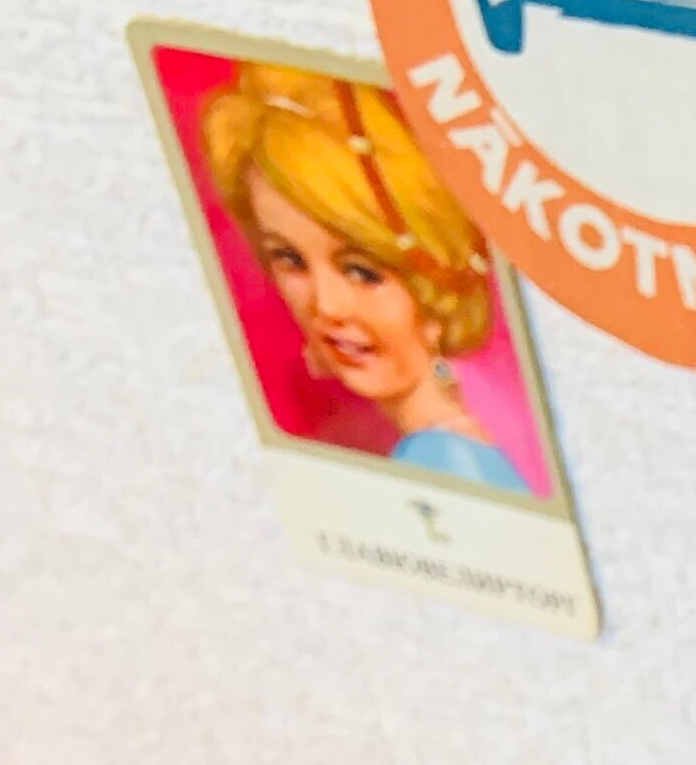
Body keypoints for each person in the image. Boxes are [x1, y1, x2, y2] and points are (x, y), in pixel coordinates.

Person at [197, 67, 527, 489]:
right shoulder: (462, 441)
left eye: (362, 271)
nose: (326, 305)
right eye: (290, 259)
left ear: (436, 286)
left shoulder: (439, 461)